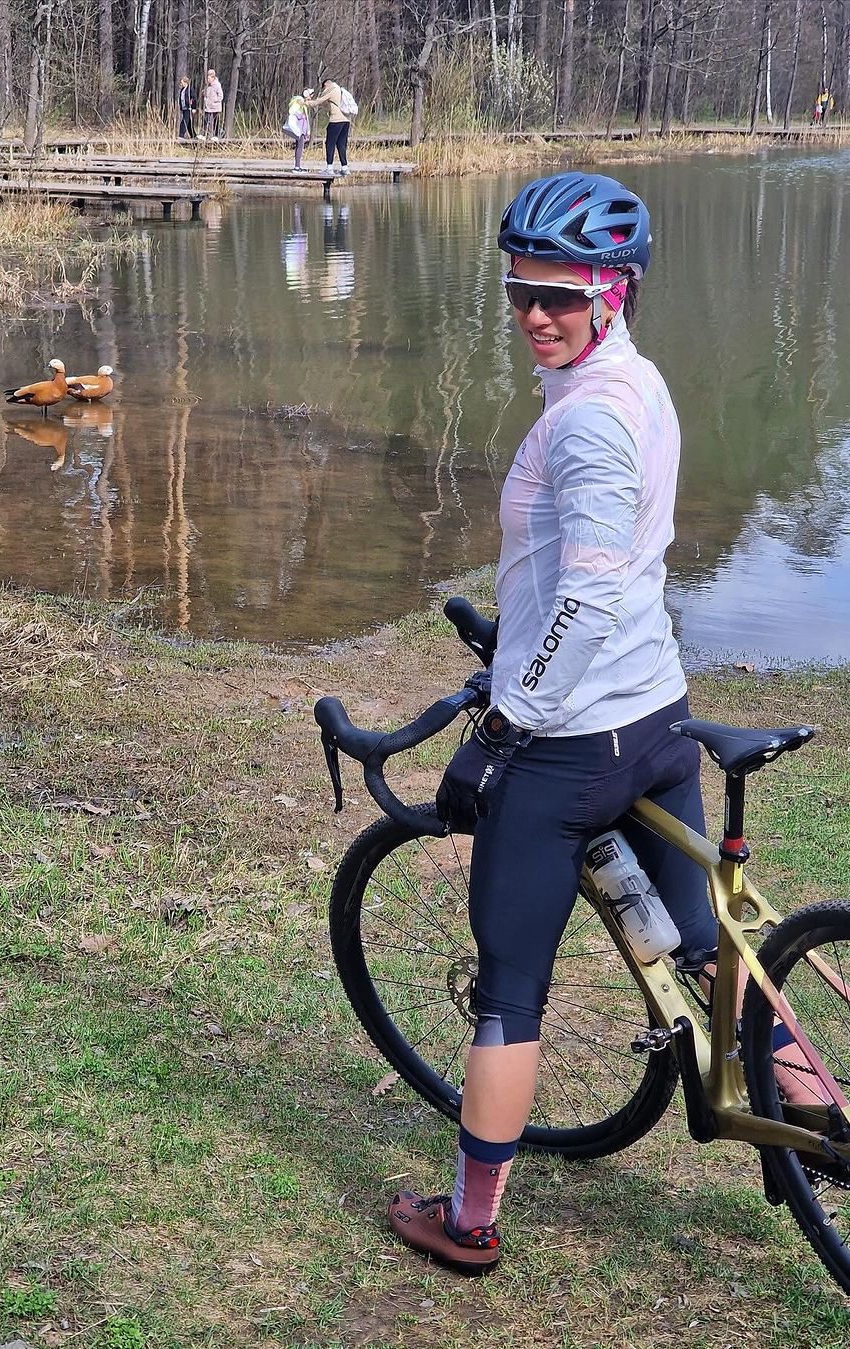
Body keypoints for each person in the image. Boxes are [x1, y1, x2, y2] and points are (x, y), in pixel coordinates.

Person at [386, 171, 723, 1275]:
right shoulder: (635, 382)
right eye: (520, 291)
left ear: (612, 292)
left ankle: (469, 1220)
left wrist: (503, 727)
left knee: (509, 993)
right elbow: (608, 572)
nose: (536, 314)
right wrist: (519, 639)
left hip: (573, 746)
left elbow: (588, 597)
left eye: (561, 297)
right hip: (656, 716)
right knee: (705, 946)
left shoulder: (588, 422)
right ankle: (805, 1105)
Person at [307, 79, 351, 176]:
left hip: (336, 120)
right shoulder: (341, 90)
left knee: (330, 143)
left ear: (326, 85)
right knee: (341, 144)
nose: (323, 89)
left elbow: (318, 102)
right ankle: (345, 167)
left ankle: (329, 168)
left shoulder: (331, 90)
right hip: (346, 120)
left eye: (323, 87)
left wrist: (305, 103)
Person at [283, 88, 312, 172]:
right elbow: (292, 111)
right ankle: (297, 167)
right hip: (298, 129)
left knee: (300, 147)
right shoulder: (298, 101)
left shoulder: (302, 104)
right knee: (300, 147)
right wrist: (300, 115)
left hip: (301, 129)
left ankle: (298, 166)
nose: (310, 98)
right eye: (310, 96)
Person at [202, 70, 223, 140]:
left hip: (215, 107)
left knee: (215, 121)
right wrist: (205, 98)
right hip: (208, 107)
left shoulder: (217, 85)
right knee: (205, 120)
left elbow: (221, 96)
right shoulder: (208, 86)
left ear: (213, 78)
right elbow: (207, 95)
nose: (208, 80)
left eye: (209, 78)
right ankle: (205, 134)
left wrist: (214, 100)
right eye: (207, 78)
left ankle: (216, 135)